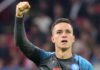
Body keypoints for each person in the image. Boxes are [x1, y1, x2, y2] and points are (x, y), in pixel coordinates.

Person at [14, 1, 94, 70]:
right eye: (59, 32)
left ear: (73, 38)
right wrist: (19, 17)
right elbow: (21, 43)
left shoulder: (84, 65)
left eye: (68, 32)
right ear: (52, 38)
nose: (64, 35)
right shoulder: (44, 58)